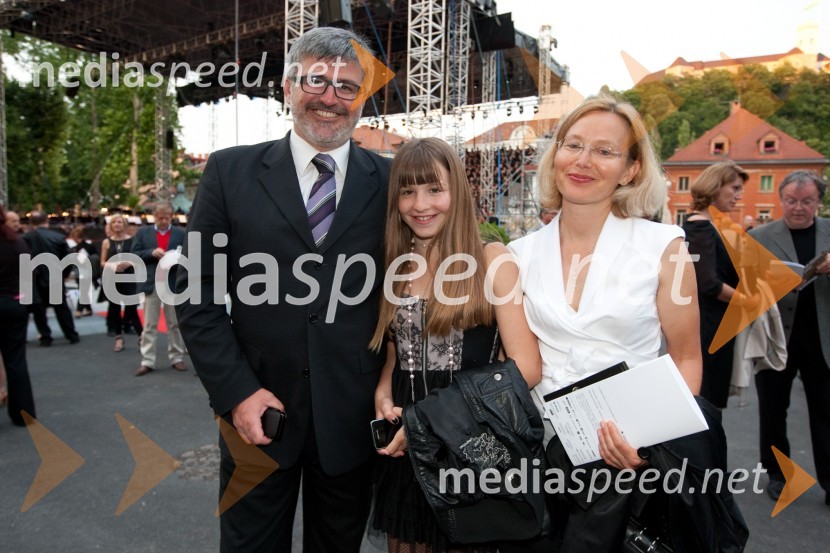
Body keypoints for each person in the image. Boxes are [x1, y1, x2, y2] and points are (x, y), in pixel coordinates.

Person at [175, 27, 392, 553]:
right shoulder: (230, 172)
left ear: (361, 99)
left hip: (354, 417)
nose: (330, 98)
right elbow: (196, 293)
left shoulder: (391, 180)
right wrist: (237, 394)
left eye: (347, 88)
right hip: (257, 412)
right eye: (317, 81)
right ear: (288, 87)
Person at [509, 95, 745, 551]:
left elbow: (687, 358)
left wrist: (645, 440)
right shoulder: (520, 254)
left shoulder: (662, 246)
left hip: (631, 459)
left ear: (632, 169)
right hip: (542, 458)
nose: (582, 161)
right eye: (572, 144)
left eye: (604, 150)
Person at [368, 138, 542, 552]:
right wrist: (380, 391)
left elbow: (527, 368)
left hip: (474, 452)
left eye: (433, 189)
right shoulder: (395, 264)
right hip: (408, 457)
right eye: (407, 191)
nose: (420, 204)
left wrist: (428, 421)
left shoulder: (492, 259)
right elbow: (396, 354)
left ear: (457, 192)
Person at [749, 170, 830, 505]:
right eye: (791, 201)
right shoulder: (760, 235)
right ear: (781, 200)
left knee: (826, 412)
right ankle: (778, 475)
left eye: (807, 201)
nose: (798, 208)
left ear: (819, 202)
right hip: (776, 337)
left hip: (821, 339)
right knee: (772, 410)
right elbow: (746, 286)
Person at [682, 161, 749, 409]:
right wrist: (750, 301)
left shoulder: (709, 225)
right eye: (735, 188)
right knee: (707, 403)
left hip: (715, 323)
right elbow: (709, 283)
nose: (739, 195)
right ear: (716, 186)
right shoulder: (700, 226)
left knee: (710, 401)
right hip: (709, 325)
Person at [131, 202, 186, 376]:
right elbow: (134, 254)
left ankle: (177, 357)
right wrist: (150, 252)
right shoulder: (143, 233)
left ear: (172, 217)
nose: (163, 220)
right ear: (154, 217)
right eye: (160, 217)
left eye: (166, 217)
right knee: (149, 324)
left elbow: (187, 255)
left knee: (174, 324)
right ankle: (147, 360)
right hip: (151, 282)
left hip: (172, 282)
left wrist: (176, 257)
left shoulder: (180, 233)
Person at [0, 206, 36, 426]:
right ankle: (23, 413)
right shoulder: (18, 242)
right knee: (16, 360)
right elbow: (27, 276)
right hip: (14, 304)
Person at [23, 210, 80, 346]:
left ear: (32, 223)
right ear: (47, 221)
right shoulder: (58, 237)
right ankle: (71, 335)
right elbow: (68, 259)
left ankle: (45, 337)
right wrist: (64, 275)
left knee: (39, 309)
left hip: (35, 278)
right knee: (61, 307)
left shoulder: (26, 238)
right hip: (54, 276)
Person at [101, 214, 143, 352]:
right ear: (111, 225)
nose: (117, 224)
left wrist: (128, 263)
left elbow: (138, 257)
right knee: (115, 308)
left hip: (129, 276)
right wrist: (111, 265)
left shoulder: (132, 240)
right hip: (112, 278)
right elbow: (102, 262)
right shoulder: (106, 242)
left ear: (124, 225)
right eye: (114, 222)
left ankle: (141, 335)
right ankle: (118, 338)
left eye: (119, 222)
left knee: (131, 307)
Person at [68, 225, 99, 318]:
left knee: (83, 290)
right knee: (84, 289)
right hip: (82, 271)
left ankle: (79, 309)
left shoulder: (81, 247)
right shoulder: (78, 247)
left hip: (85, 270)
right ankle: (88, 308)